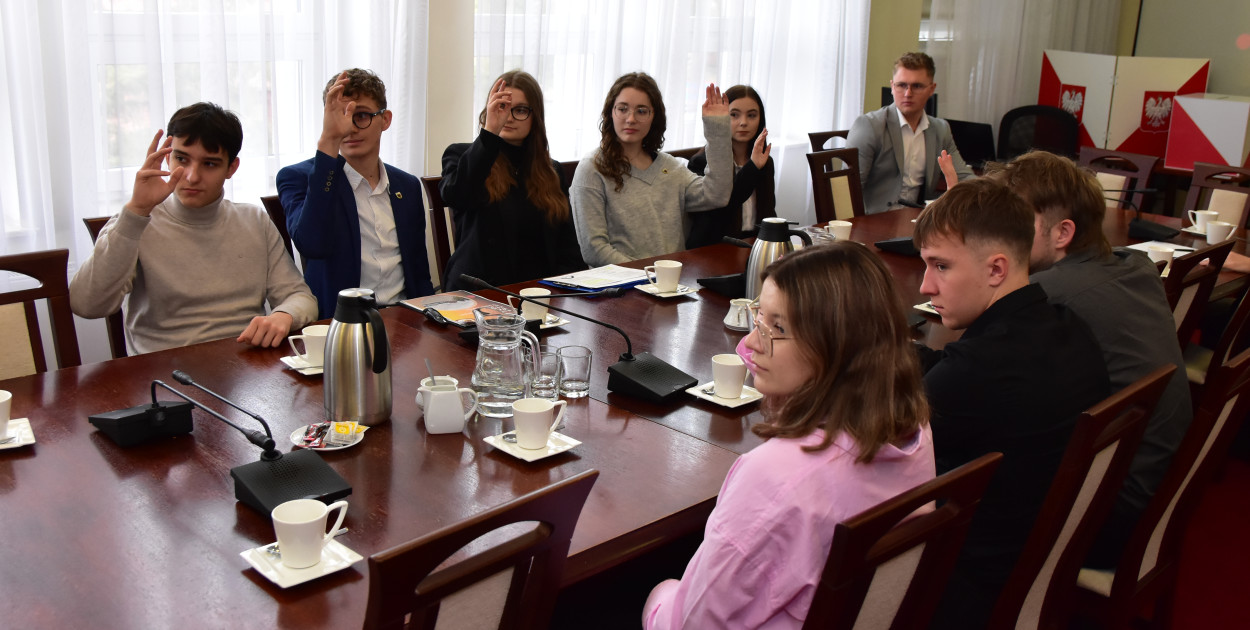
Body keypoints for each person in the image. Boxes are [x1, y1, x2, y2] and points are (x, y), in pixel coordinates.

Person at [642, 242, 935, 628]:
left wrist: (658, 599)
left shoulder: (777, 475)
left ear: (836, 345)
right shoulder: (914, 428)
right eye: (759, 319)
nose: (750, 344)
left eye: (778, 328)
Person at [913, 178, 1111, 629]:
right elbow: (947, 370)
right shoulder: (1066, 324)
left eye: (940, 266)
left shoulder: (977, 372)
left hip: (967, 582)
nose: (926, 286)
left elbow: (873, 436)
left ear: (996, 270)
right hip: (1040, 553)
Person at [986, 151, 1192, 568]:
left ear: (1062, 233)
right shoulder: (1133, 264)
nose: (999, 232)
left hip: (1110, 510)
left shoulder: (1051, 294)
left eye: (1014, 221)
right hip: (1156, 486)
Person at [70, 103, 317, 355]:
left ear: (231, 168)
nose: (191, 176)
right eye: (181, 159)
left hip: (244, 367)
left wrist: (284, 315)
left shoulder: (253, 220)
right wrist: (136, 211)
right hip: (162, 374)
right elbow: (86, 305)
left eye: (209, 164)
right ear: (167, 157)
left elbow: (300, 296)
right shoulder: (136, 221)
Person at [276, 69, 434, 318]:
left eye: (360, 115)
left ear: (385, 119)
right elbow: (312, 244)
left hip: (407, 318)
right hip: (343, 324)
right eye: (340, 116)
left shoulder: (407, 185)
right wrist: (328, 141)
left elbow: (418, 271)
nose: (349, 128)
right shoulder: (299, 178)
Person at [438, 70, 583, 291]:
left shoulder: (550, 169)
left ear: (536, 117)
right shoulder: (461, 155)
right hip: (479, 292)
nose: (510, 117)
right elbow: (457, 195)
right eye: (502, 107)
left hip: (539, 293)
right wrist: (490, 132)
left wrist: (562, 291)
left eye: (521, 110)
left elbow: (568, 245)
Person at [570, 73, 733, 266]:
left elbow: (717, 195)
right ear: (610, 112)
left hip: (671, 285)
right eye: (622, 109)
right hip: (619, 289)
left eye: (641, 111)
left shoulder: (671, 168)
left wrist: (717, 130)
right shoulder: (592, 168)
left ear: (653, 116)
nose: (631, 119)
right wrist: (646, 278)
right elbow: (594, 250)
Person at [847, 52, 974, 214]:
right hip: (875, 219)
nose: (908, 93)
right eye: (901, 85)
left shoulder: (940, 129)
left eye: (917, 86)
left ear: (931, 89)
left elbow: (965, 178)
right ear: (892, 87)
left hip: (919, 219)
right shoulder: (869, 125)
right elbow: (849, 191)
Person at [685, 84, 775, 248]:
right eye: (734, 115)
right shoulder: (701, 161)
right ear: (722, 117)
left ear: (760, 119)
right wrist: (752, 168)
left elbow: (769, 212)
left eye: (752, 115)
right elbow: (720, 210)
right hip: (716, 248)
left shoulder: (765, 161)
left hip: (754, 243)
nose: (743, 123)